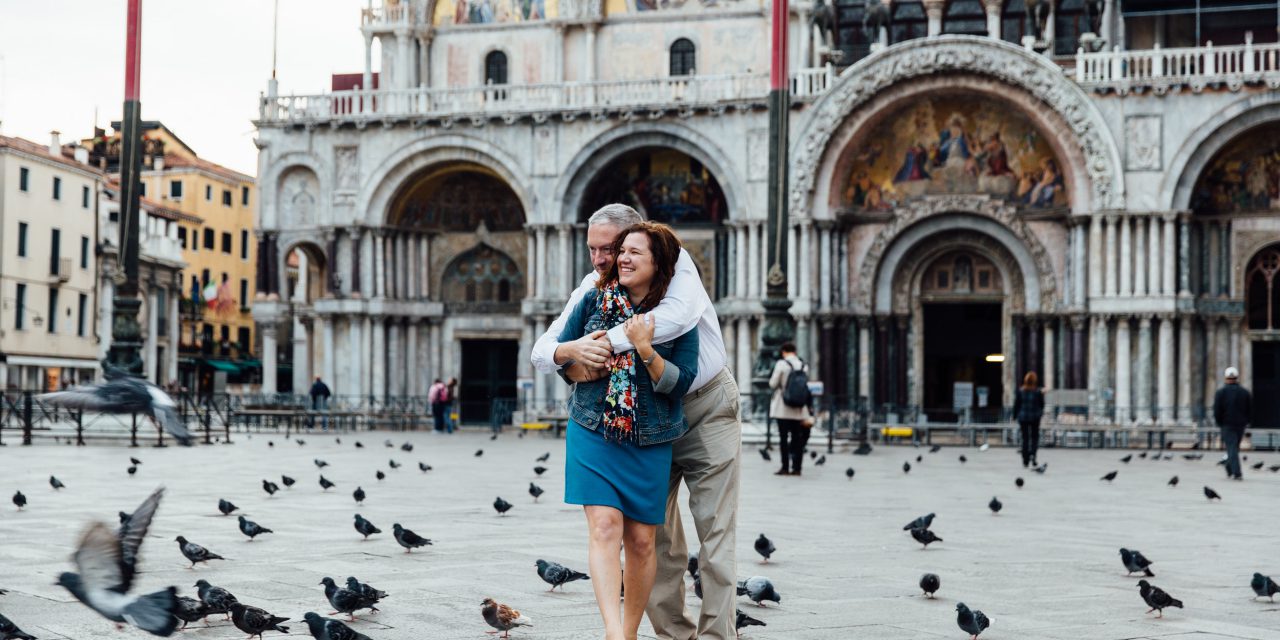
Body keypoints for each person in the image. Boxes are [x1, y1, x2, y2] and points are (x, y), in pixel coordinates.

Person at [532, 203, 742, 640]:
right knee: (653, 539)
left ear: (642, 240)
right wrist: (570, 356)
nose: (602, 259)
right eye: (594, 249)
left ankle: (718, 636)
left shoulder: (679, 272)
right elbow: (548, 348)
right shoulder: (593, 287)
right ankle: (670, 635)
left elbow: (673, 323)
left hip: (702, 408)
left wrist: (599, 345)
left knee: (715, 532)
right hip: (635, 424)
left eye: (611, 248)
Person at [556, 222, 700, 640]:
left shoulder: (677, 316)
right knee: (604, 526)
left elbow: (681, 382)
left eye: (635, 252)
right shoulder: (592, 301)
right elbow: (561, 360)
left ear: (660, 265)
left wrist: (645, 348)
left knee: (640, 541)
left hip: (650, 437)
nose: (622, 258)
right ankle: (613, 633)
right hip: (594, 428)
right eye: (622, 250)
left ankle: (631, 631)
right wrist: (582, 364)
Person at [769, 343, 812, 476]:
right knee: (797, 438)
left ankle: (785, 467)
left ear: (783, 352)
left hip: (783, 406)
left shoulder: (781, 364)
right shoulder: (804, 365)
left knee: (783, 437)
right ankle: (797, 468)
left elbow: (773, 384)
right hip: (799, 407)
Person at [1213, 366, 1251, 481]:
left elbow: (1217, 410)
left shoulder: (1221, 393)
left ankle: (1236, 472)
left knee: (1232, 447)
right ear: (1237, 377)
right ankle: (1231, 467)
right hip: (1240, 425)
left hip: (1227, 424)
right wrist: (1246, 421)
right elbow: (1249, 409)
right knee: (1234, 447)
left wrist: (1219, 422)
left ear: (1226, 378)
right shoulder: (1244, 392)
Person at [1012, 371, 1044, 468]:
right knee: (1034, 438)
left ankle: (1025, 460)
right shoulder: (1037, 392)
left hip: (1023, 417)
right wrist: (1039, 413)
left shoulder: (1021, 391)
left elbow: (1016, 405)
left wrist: (1014, 416)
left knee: (1025, 438)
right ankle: (1033, 456)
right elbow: (1041, 405)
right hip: (1034, 417)